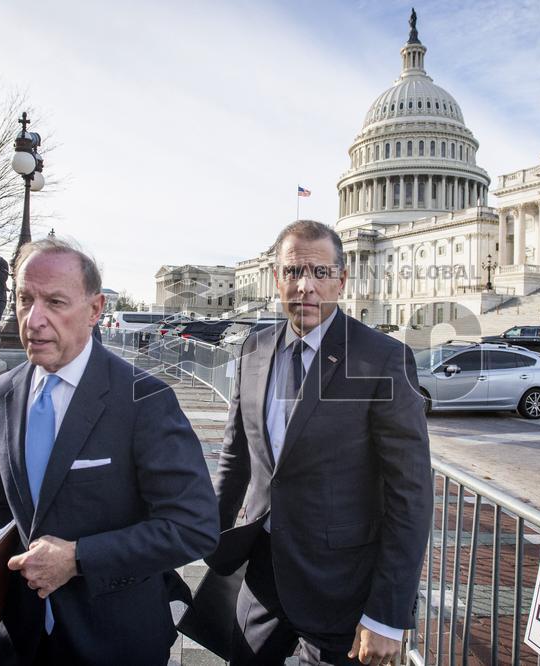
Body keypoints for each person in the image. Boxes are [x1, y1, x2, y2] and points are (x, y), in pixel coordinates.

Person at [0, 238, 218, 665]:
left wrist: (77, 558)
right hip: (20, 640)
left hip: (113, 640)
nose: (34, 319)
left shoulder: (145, 399)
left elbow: (193, 526)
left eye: (55, 302)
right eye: (25, 299)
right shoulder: (2, 393)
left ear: (95, 309)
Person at [210, 220, 433, 665]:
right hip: (263, 575)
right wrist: (205, 537)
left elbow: (410, 492)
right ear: (277, 279)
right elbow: (236, 457)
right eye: (293, 272)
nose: (305, 286)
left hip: (341, 586)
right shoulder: (253, 349)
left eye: (320, 272)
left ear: (342, 280)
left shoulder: (382, 358)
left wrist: (387, 613)